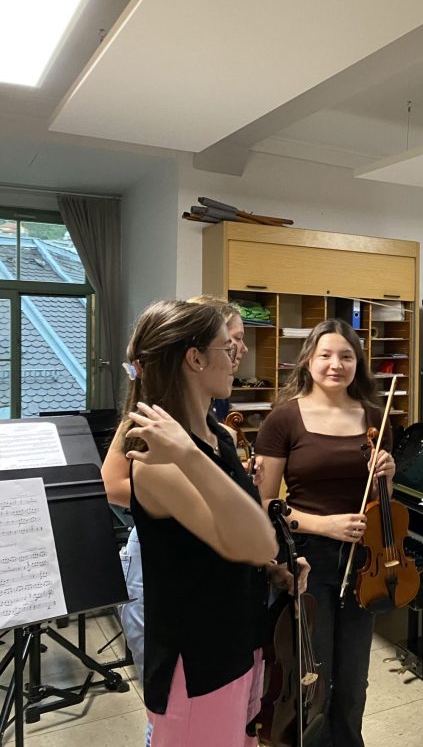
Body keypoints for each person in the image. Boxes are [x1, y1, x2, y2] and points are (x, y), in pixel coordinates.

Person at [118, 300, 280, 746]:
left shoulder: (218, 435)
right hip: (198, 660)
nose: (236, 357)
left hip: (239, 637)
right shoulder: (156, 460)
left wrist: (274, 570)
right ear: (195, 358)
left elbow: (243, 539)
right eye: (227, 347)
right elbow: (256, 541)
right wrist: (190, 456)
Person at [254, 319, 398, 747]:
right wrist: (324, 524)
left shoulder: (375, 417)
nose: (336, 364)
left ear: (358, 363)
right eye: (326, 355)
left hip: (364, 562)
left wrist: (387, 476)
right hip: (305, 559)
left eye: (346, 356)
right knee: (310, 675)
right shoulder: (284, 418)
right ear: (308, 361)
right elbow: (264, 504)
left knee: (354, 678)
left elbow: (381, 502)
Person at [102, 296, 250, 700]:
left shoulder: (212, 415)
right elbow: (112, 483)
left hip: (204, 571)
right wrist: (187, 500)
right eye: (232, 340)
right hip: (156, 558)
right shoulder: (152, 416)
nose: (240, 350)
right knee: (171, 692)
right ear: (195, 354)